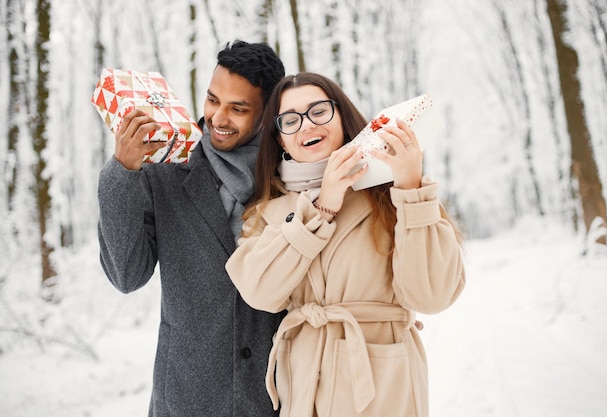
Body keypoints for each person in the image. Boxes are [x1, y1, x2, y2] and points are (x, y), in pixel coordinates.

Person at [225, 72, 466, 416]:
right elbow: (260, 293)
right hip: (305, 387)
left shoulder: (391, 193)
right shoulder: (267, 213)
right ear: (280, 139)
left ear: (342, 116)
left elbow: (433, 295)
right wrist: (322, 206)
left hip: (384, 384)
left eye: (319, 111)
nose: (307, 125)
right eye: (290, 120)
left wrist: (412, 189)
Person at [97, 40, 286, 416]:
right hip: (186, 397)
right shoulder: (163, 165)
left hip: (274, 397)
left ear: (267, 113)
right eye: (213, 99)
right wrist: (122, 172)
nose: (218, 118)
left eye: (238, 108)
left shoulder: (290, 175)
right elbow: (126, 276)